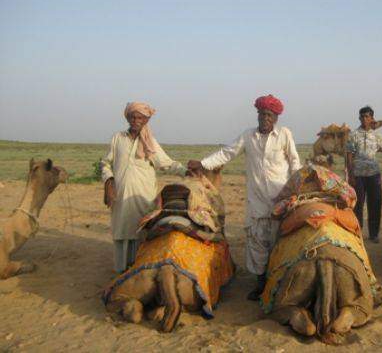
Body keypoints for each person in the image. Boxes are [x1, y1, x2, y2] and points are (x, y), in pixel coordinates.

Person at [187, 95, 301, 300]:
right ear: (257, 115)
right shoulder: (248, 136)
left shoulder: (284, 135)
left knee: (279, 240)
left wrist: (296, 188)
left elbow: (294, 162)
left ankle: (278, 282)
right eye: (262, 114)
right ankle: (261, 284)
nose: (265, 118)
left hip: (281, 197)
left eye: (269, 115)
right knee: (257, 242)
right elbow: (227, 153)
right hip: (256, 199)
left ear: (275, 118)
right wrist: (203, 164)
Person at [101, 102, 187, 273]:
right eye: (133, 116)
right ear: (128, 118)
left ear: (146, 120)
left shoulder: (150, 142)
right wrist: (108, 182)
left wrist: (186, 171)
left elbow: (166, 163)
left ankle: (139, 274)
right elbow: (105, 163)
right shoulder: (118, 138)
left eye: (140, 117)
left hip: (143, 198)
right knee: (122, 234)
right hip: (121, 197)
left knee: (141, 234)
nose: (136, 120)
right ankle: (121, 274)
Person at [346, 106, 382, 243]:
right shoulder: (353, 135)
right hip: (358, 175)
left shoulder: (377, 135)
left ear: (372, 118)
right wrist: (351, 175)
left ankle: (374, 234)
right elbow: (349, 155)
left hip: (374, 174)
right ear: (359, 118)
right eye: (362, 116)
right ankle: (357, 233)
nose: (364, 119)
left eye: (367, 116)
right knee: (357, 205)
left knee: (375, 204)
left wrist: (373, 150)